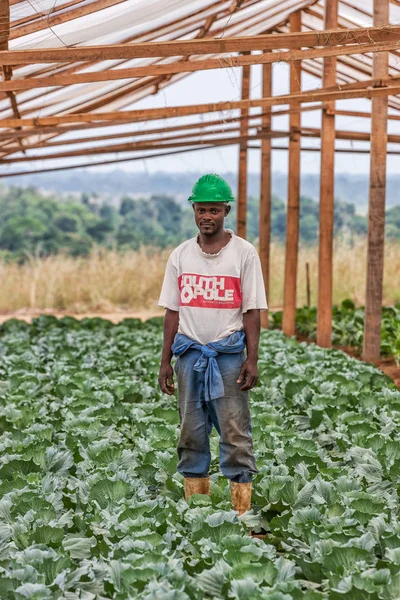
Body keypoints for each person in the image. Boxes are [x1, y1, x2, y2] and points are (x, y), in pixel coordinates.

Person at [158, 174, 267, 515]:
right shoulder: (181, 255)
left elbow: (251, 311)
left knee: (235, 433)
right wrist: (165, 362)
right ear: (194, 210)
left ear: (225, 211)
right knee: (191, 432)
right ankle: (197, 512)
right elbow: (172, 313)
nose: (207, 216)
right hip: (189, 355)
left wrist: (252, 359)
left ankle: (241, 514)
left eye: (214, 210)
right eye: (201, 209)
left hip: (228, 356)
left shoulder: (244, 254)